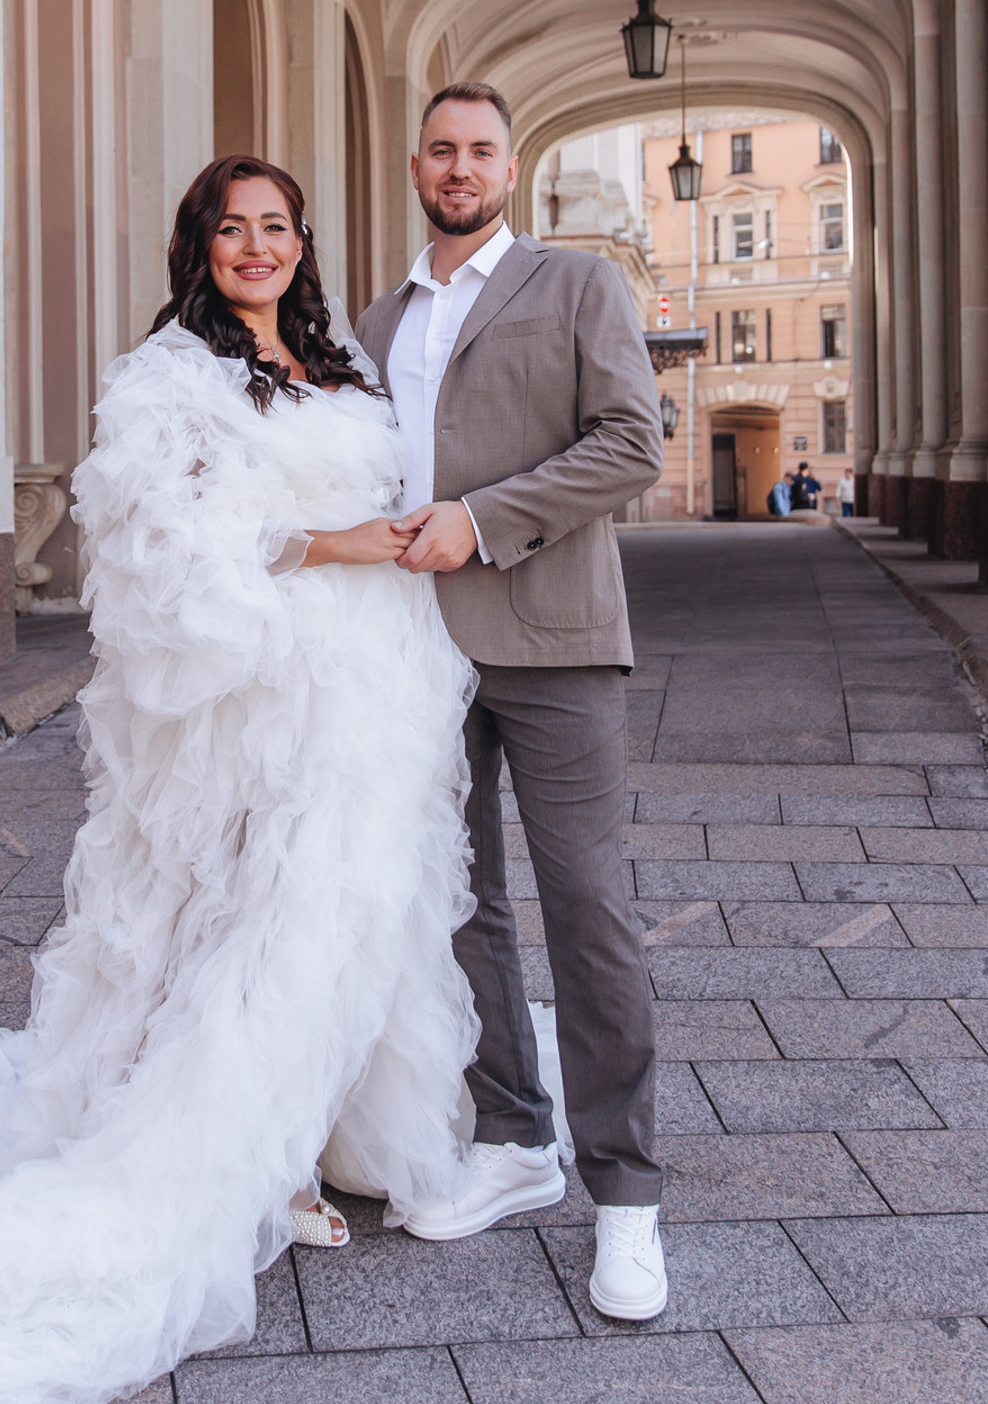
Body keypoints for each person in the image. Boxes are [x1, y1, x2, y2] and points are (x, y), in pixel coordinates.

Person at [0, 154, 483, 1404]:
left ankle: (314, 1127)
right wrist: (337, 543)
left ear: (303, 245)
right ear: (200, 246)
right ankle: (248, 1161)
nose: (258, 248)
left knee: (332, 917)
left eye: (277, 228)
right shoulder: (174, 373)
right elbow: (164, 537)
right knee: (235, 920)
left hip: (364, 686)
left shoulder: (337, 364)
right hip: (251, 686)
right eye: (234, 230)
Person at [353, 82, 670, 1321]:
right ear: (417, 164)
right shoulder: (379, 320)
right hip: (417, 653)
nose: (460, 166)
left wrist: (482, 522)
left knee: (590, 907)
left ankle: (627, 1194)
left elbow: (631, 444)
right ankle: (514, 1134)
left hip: (553, 638)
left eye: (481, 149)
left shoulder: (578, 287)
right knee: (461, 902)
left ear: (512, 165)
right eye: (441, 148)